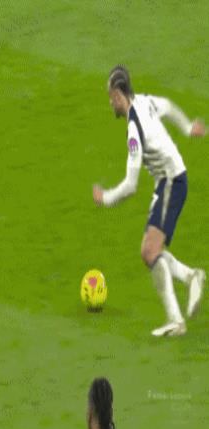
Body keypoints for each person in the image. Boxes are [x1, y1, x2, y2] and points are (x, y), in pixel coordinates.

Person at [93, 65, 206, 336]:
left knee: (150, 252)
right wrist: (187, 127)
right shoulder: (144, 100)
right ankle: (190, 278)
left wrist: (104, 198)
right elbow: (167, 105)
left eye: (111, 97)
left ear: (119, 95)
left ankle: (177, 318)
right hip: (169, 182)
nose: (110, 103)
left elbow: (130, 186)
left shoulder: (134, 131)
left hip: (171, 183)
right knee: (149, 252)